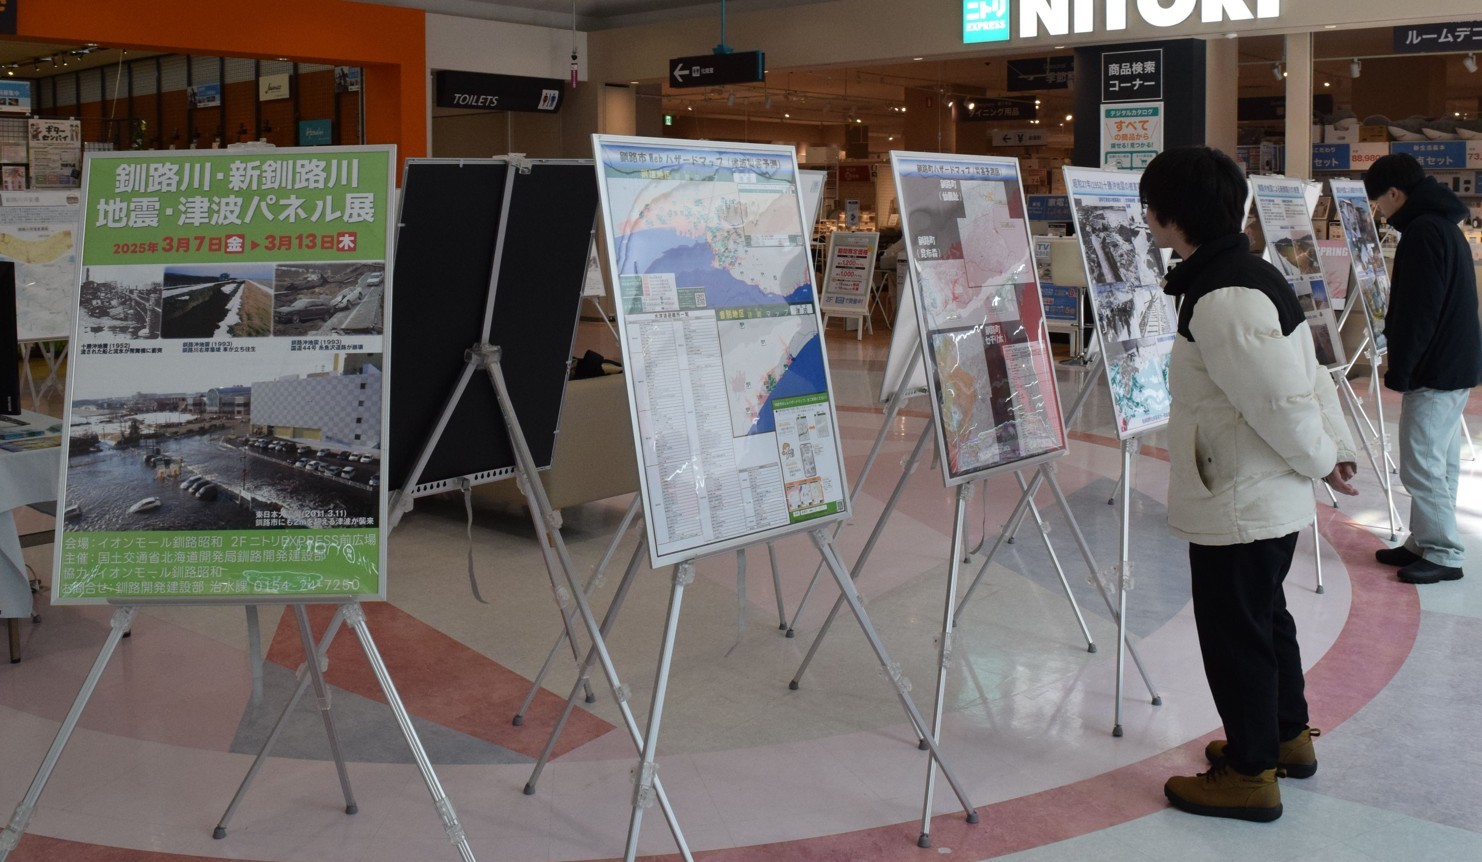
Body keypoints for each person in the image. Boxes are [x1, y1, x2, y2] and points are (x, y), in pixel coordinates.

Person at [1140, 147, 1358, 823]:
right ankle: (1284, 739)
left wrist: (1324, 458)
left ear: (1175, 215)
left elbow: (1279, 401)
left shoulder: (1224, 296)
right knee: (1264, 620)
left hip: (1239, 496)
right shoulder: (1245, 274)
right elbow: (1309, 377)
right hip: (1256, 493)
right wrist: (1332, 451)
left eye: (1150, 207)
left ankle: (1249, 773)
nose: (1144, 218)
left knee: (1236, 634)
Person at [1364, 153, 1482, 584]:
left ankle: (1445, 551)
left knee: (1420, 464)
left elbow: (1419, 311)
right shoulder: (1443, 226)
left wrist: (1402, 368)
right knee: (1439, 461)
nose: (1380, 211)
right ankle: (1426, 541)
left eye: (1379, 202)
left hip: (1435, 368)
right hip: (1453, 362)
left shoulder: (1422, 232)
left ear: (1395, 193)